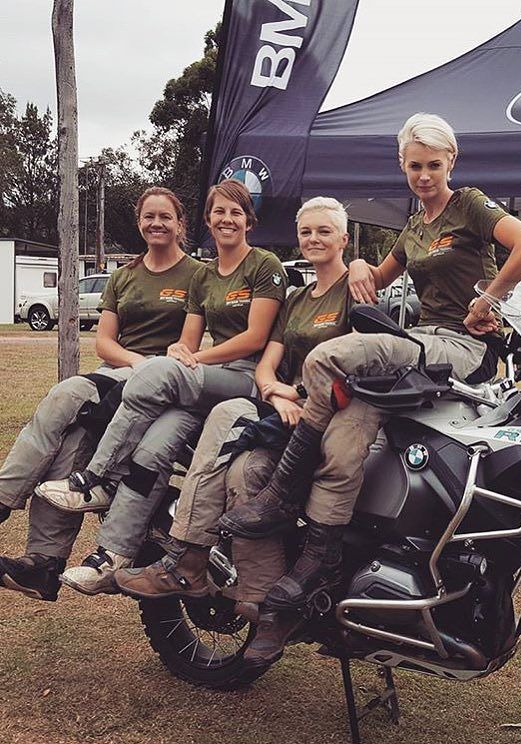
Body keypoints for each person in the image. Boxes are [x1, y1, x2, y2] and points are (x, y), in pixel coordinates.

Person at [220, 112, 521, 668]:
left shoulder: (469, 205)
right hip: (421, 345)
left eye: (433, 165)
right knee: (346, 440)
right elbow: (378, 276)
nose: (424, 176)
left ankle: (278, 496)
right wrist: (361, 263)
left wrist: (489, 299)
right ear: (402, 165)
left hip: (461, 348)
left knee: (329, 357)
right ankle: (319, 561)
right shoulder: (415, 225)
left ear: (451, 162)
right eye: (415, 166)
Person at [0, 186, 202, 601]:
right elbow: (105, 343)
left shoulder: (196, 275)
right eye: (149, 216)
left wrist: (150, 369)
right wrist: (137, 363)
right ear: (139, 222)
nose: (156, 223)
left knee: (65, 394)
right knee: (70, 440)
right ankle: (43, 565)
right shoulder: (123, 277)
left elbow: (188, 345)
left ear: (180, 223)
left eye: (165, 217)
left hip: (165, 382)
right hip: (119, 372)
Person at [35, 179, 286, 594]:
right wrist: (181, 352)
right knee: (151, 450)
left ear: (249, 221)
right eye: (219, 211)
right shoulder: (205, 276)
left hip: (248, 377)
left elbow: (255, 338)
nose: (227, 219)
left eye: (236, 212)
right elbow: (187, 341)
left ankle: (97, 477)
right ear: (207, 220)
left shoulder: (264, 264)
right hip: (210, 378)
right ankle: (110, 557)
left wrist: (190, 360)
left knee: (159, 371)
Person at [111, 197, 354, 612]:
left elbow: (357, 364)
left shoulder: (356, 289)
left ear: (344, 239)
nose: (313, 239)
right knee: (241, 469)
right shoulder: (297, 299)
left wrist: (295, 395)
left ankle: (186, 557)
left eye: (324, 231)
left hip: (328, 414)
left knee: (225, 416)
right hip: (284, 410)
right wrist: (275, 391)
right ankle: (259, 599)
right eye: (306, 232)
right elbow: (267, 365)